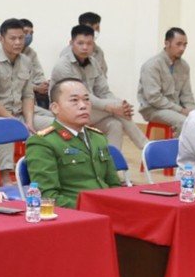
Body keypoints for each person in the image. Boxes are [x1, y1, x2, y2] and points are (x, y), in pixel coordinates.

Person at [0, 18, 55, 185]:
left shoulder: (26, 61)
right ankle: (5, 178)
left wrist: (29, 121)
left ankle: (45, 170)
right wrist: (17, 122)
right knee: (7, 126)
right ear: (1, 39)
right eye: (13, 38)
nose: (18, 42)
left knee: (55, 124)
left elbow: (27, 96)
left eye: (21, 38)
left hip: (19, 111)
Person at [24, 78, 123, 207]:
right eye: (74, 100)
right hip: (77, 214)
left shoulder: (98, 137)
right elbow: (47, 196)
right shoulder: (43, 142)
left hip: (107, 209)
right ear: (55, 108)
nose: (83, 106)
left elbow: (114, 184)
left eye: (86, 99)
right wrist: (93, 209)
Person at [51, 25, 146, 150]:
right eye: (80, 43)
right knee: (118, 111)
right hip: (69, 111)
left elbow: (104, 91)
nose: (85, 47)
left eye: (89, 43)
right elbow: (82, 96)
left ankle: (114, 166)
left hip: (90, 110)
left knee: (115, 124)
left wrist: (120, 105)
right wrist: (112, 107)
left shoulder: (93, 62)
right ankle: (146, 146)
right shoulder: (63, 65)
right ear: (71, 43)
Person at [138, 28, 195, 134]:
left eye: (185, 45)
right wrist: (181, 110)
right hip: (153, 109)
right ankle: (177, 151)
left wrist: (194, 112)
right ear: (167, 43)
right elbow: (154, 98)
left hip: (175, 108)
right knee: (183, 122)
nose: (182, 48)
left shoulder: (184, 66)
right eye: (178, 44)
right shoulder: (152, 65)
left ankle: (193, 150)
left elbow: (187, 95)